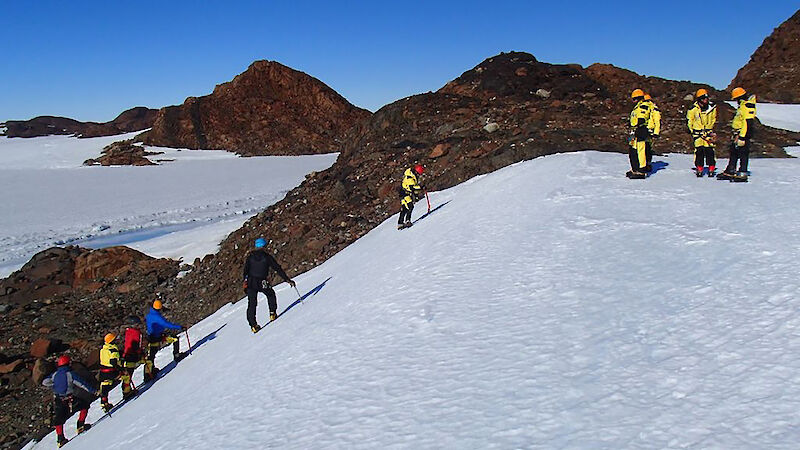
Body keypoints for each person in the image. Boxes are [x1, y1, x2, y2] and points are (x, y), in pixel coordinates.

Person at [42, 355, 97, 447]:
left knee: (59, 419)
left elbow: (45, 382)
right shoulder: (70, 374)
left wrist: (54, 384)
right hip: (70, 399)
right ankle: (80, 425)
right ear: (68, 363)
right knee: (84, 406)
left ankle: (60, 439)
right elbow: (82, 384)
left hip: (59, 400)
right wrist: (93, 391)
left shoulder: (55, 374)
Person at [243, 238, 295, 333]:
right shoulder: (267, 257)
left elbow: (245, 271)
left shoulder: (250, 257)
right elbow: (277, 268)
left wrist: (245, 282)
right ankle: (272, 313)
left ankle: (253, 325)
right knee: (270, 295)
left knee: (252, 303)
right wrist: (287, 279)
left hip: (251, 282)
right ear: (264, 246)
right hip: (262, 281)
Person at [718, 87, 757, 181]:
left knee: (743, 153)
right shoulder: (742, 106)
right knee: (734, 152)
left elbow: (747, 123)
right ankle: (730, 170)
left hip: (742, 134)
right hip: (737, 134)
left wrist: (742, 137)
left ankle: (742, 172)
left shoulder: (748, 106)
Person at [144, 299, 184, 382]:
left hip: (150, 337)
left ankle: (149, 372)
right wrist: (179, 327)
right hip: (157, 337)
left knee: (151, 355)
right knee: (175, 339)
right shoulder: (157, 317)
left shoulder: (149, 314)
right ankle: (176, 356)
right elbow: (167, 324)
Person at [687, 88, 718, 177]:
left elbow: (713, 119)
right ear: (699, 99)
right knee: (699, 151)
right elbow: (690, 120)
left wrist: (709, 129)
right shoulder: (693, 109)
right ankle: (699, 167)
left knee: (710, 151)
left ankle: (711, 167)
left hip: (708, 133)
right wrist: (693, 131)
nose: (706, 100)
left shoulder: (711, 108)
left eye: (706, 98)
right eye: (704, 98)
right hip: (698, 134)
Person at [626, 89, 654, 179]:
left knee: (639, 151)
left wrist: (639, 124)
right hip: (635, 130)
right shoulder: (637, 107)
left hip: (640, 130)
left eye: (634, 99)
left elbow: (642, 116)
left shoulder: (643, 106)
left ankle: (641, 170)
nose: (633, 101)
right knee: (633, 150)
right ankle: (635, 169)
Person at [120, 316, 145, 400]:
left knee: (128, 373)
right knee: (129, 373)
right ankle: (126, 391)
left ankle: (126, 389)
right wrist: (140, 352)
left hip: (127, 355)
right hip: (131, 355)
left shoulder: (129, 331)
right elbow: (135, 345)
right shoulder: (136, 333)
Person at [98, 333, 121, 412]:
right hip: (111, 372)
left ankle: (104, 403)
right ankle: (127, 391)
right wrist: (120, 369)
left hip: (102, 372)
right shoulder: (113, 350)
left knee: (104, 387)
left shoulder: (103, 349)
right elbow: (113, 363)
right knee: (125, 377)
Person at [398, 164, 425, 229]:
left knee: (404, 208)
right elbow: (412, 188)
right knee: (410, 206)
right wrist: (421, 187)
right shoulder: (410, 178)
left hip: (405, 193)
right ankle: (407, 221)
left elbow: (413, 189)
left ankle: (400, 223)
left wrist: (416, 196)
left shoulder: (413, 176)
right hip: (404, 193)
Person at [643, 93, 661, 172]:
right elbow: (657, 121)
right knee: (647, 148)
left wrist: (656, 132)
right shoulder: (653, 108)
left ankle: (646, 163)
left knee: (645, 148)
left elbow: (657, 121)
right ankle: (647, 163)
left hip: (647, 131)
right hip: (648, 131)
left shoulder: (652, 109)